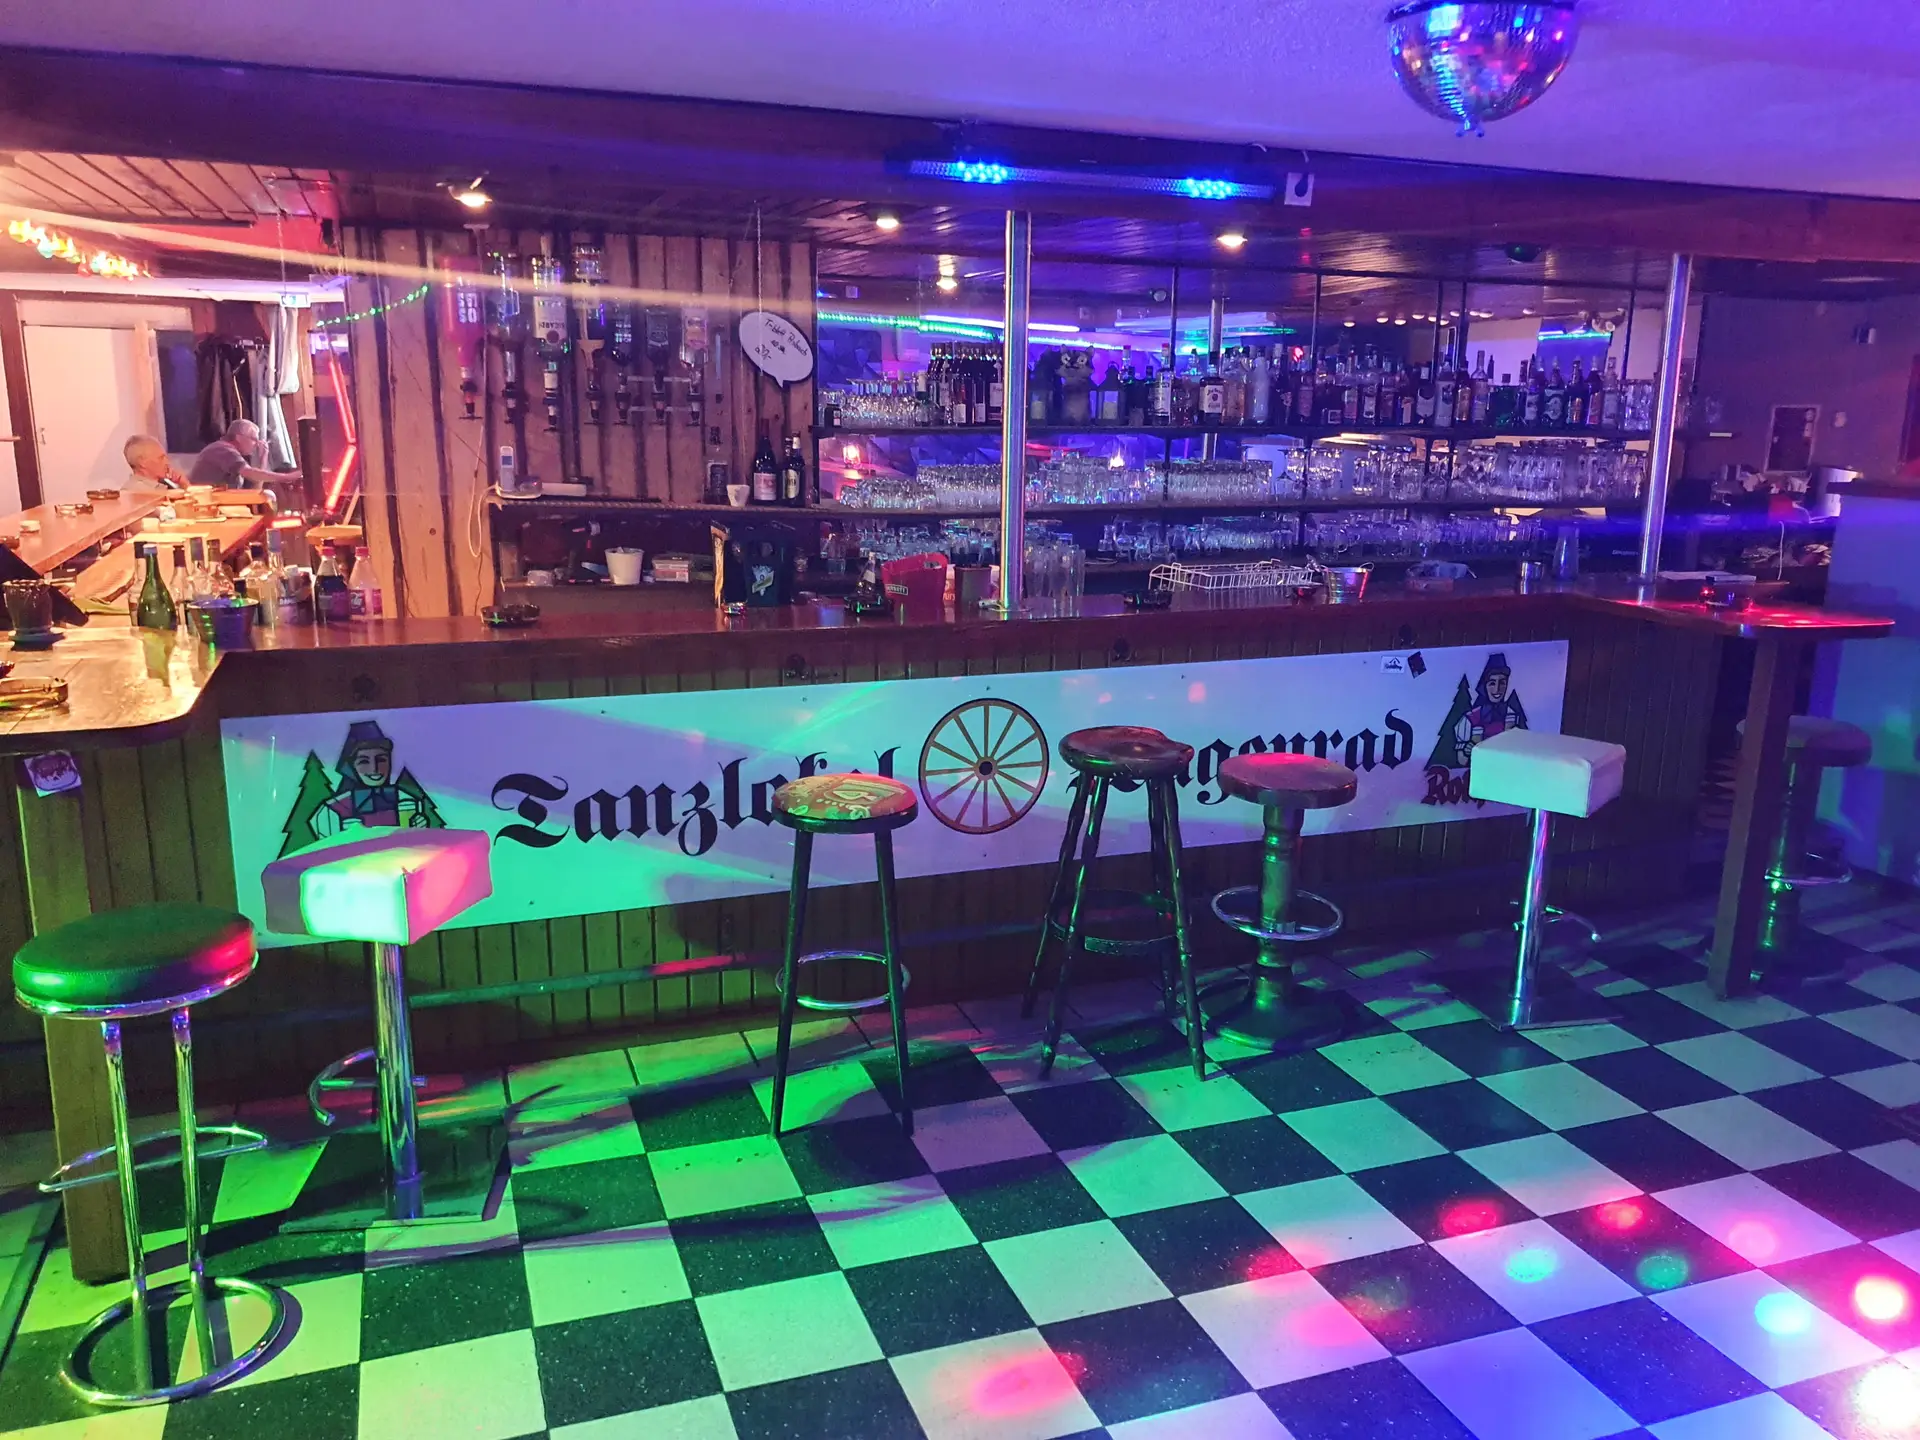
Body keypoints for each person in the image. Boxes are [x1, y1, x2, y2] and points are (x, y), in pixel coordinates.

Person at [187, 419, 282, 490]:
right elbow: (250, 473)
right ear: (239, 437)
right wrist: (285, 477)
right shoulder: (224, 450)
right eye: (254, 439)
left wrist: (263, 458)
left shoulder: (230, 452)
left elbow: (255, 491)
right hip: (206, 503)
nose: (257, 444)